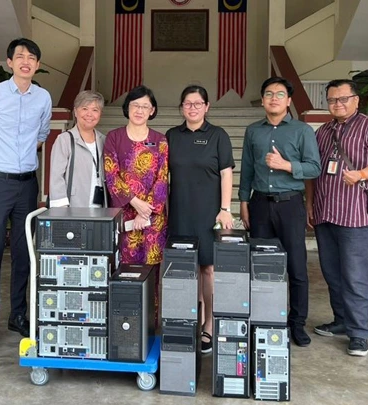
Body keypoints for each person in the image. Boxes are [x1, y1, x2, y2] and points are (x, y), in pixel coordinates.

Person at [0, 38, 52, 349]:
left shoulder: (42, 98)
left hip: (26, 184)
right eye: (20, 56)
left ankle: (18, 314)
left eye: (32, 57)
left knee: (23, 254)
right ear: (9, 62)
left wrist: (21, 162)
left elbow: (42, 135)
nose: (26, 61)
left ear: (37, 65)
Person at [310, 79, 368, 357]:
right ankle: (341, 321)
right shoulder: (323, 131)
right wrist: (310, 204)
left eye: (343, 98)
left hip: (357, 215)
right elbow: (314, 171)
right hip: (326, 213)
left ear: (356, 100)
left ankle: (359, 333)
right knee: (332, 273)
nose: (338, 104)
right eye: (333, 100)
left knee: (356, 276)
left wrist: (360, 174)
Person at [239, 77, 321, 347]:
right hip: (260, 204)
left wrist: (287, 165)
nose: (274, 98)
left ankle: (296, 323)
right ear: (262, 100)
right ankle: (264, 318)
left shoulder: (302, 131)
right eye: (269, 94)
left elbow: (314, 168)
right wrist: (243, 202)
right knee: (260, 267)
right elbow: (248, 170)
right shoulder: (253, 131)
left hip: (290, 205)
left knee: (296, 268)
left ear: (288, 100)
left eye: (280, 94)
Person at [166, 85, 235, 354]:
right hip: (180, 211)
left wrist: (226, 208)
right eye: (187, 103)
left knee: (207, 268)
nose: (192, 108)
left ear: (207, 107)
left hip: (209, 212)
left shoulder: (218, 135)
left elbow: (226, 173)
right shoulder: (172, 136)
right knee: (186, 268)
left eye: (198, 103)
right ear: (181, 107)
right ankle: (189, 321)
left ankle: (208, 323)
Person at [103, 85, 168, 265]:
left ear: (152, 110)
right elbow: (112, 175)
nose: (140, 110)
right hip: (124, 214)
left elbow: (162, 179)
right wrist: (136, 203)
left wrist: (145, 212)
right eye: (135, 105)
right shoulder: (114, 137)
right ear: (127, 107)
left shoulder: (160, 140)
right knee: (125, 271)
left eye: (145, 106)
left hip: (152, 217)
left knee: (151, 271)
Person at [49, 90, 107, 208]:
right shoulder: (64, 140)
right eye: (84, 108)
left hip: (100, 209)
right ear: (75, 111)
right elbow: (56, 177)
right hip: (73, 207)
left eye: (95, 110)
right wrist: (62, 209)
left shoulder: (104, 140)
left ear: (100, 114)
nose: (89, 114)